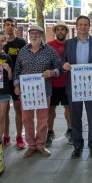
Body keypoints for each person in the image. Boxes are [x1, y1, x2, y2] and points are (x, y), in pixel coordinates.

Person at [13, 25, 61, 158]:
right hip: (26, 91)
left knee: (42, 120)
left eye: (37, 33)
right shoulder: (23, 51)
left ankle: (40, 145)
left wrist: (52, 72)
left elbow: (59, 67)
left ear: (42, 35)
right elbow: (17, 69)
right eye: (31, 33)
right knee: (26, 119)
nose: (34, 36)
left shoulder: (49, 51)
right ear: (29, 35)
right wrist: (17, 86)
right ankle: (31, 145)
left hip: (44, 91)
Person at [62, 15, 92, 159]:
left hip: (91, 86)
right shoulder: (69, 43)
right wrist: (64, 65)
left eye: (86, 24)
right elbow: (63, 61)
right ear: (76, 26)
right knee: (75, 117)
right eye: (80, 24)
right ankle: (77, 146)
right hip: (74, 86)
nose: (83, 27)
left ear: (89, 26)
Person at [46, 21, 72, 146]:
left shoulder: (72, 45)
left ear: (66, 32)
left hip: (68, 83)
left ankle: (71, 131)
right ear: (55, 31)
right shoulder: (48, 46)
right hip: (53, 84)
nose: (60, 31)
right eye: (58, 29)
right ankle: (49, 132)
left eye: (63, 29)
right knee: (51, 110)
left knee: (69, 109)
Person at [3, 18, 27, 149]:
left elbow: (25, 61)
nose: (9, 27)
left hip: (17, 81)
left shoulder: (21, 43)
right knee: (4, 111)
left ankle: (19, 136)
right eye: (7, 25)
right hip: (2, 82)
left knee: (19, 110)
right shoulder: (0, 41)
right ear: (4, 26)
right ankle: (6, 136)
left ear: (15, 27)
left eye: (12, 25)